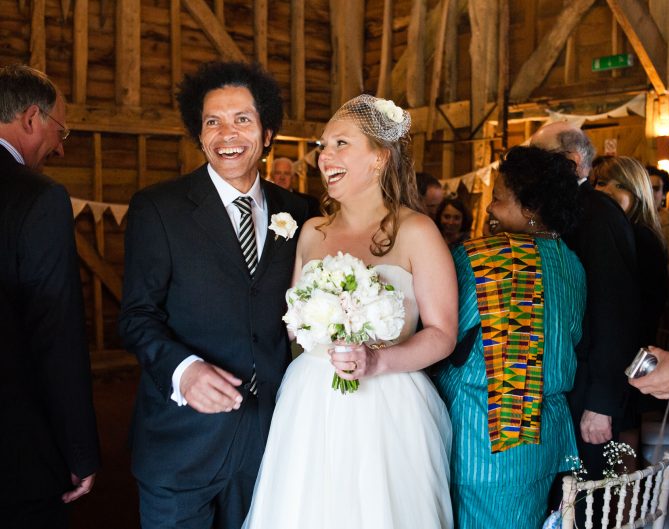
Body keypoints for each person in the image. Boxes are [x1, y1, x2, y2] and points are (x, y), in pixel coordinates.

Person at [242, 94, 457, 529]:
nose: (325, 157)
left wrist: (379, 360)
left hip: (388, 404)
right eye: (323, 146)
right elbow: (292, 326)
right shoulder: (310, 233)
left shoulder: (417, 231)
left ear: (380, 158)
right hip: (309, 402)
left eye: (341, 144)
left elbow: (442, 333)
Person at [119, 61, 309, 529]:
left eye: (242, 119)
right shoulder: (158, 208)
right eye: (212, 121)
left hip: (269, 445)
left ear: (267, 134)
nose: (228, 133)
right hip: (180, 447)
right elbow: (137, 316)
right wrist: (183, 372)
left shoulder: (300, 212)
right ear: (199, 135)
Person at [435, 146, 586, 529]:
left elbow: (442, 336)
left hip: (488, 436)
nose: (489, 209)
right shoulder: (572, 262)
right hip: (544, 433)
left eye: (499, 199)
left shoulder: (487, 257)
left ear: (531, 207)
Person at [0, 64, 100, 528]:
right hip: (15, 448)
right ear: (31, 119)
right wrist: (79, 450)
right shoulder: (38, 198)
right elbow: (54, 334)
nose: (59, 147)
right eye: (60, 131)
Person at [530, 122, 640, 517]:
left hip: (590, 390)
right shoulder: (570, 211)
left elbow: (615, 312)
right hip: (571, 383)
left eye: (539, 157)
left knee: (586, 504)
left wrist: (601, 403)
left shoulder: (595, 215)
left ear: (573, 162)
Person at [592, 156, 667, 347]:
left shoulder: (642, 238)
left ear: (638, 193)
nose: (608, 191)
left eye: (621, 186)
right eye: (601, 183)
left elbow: (646, 309)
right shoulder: (607, 234)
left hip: (626, 351)